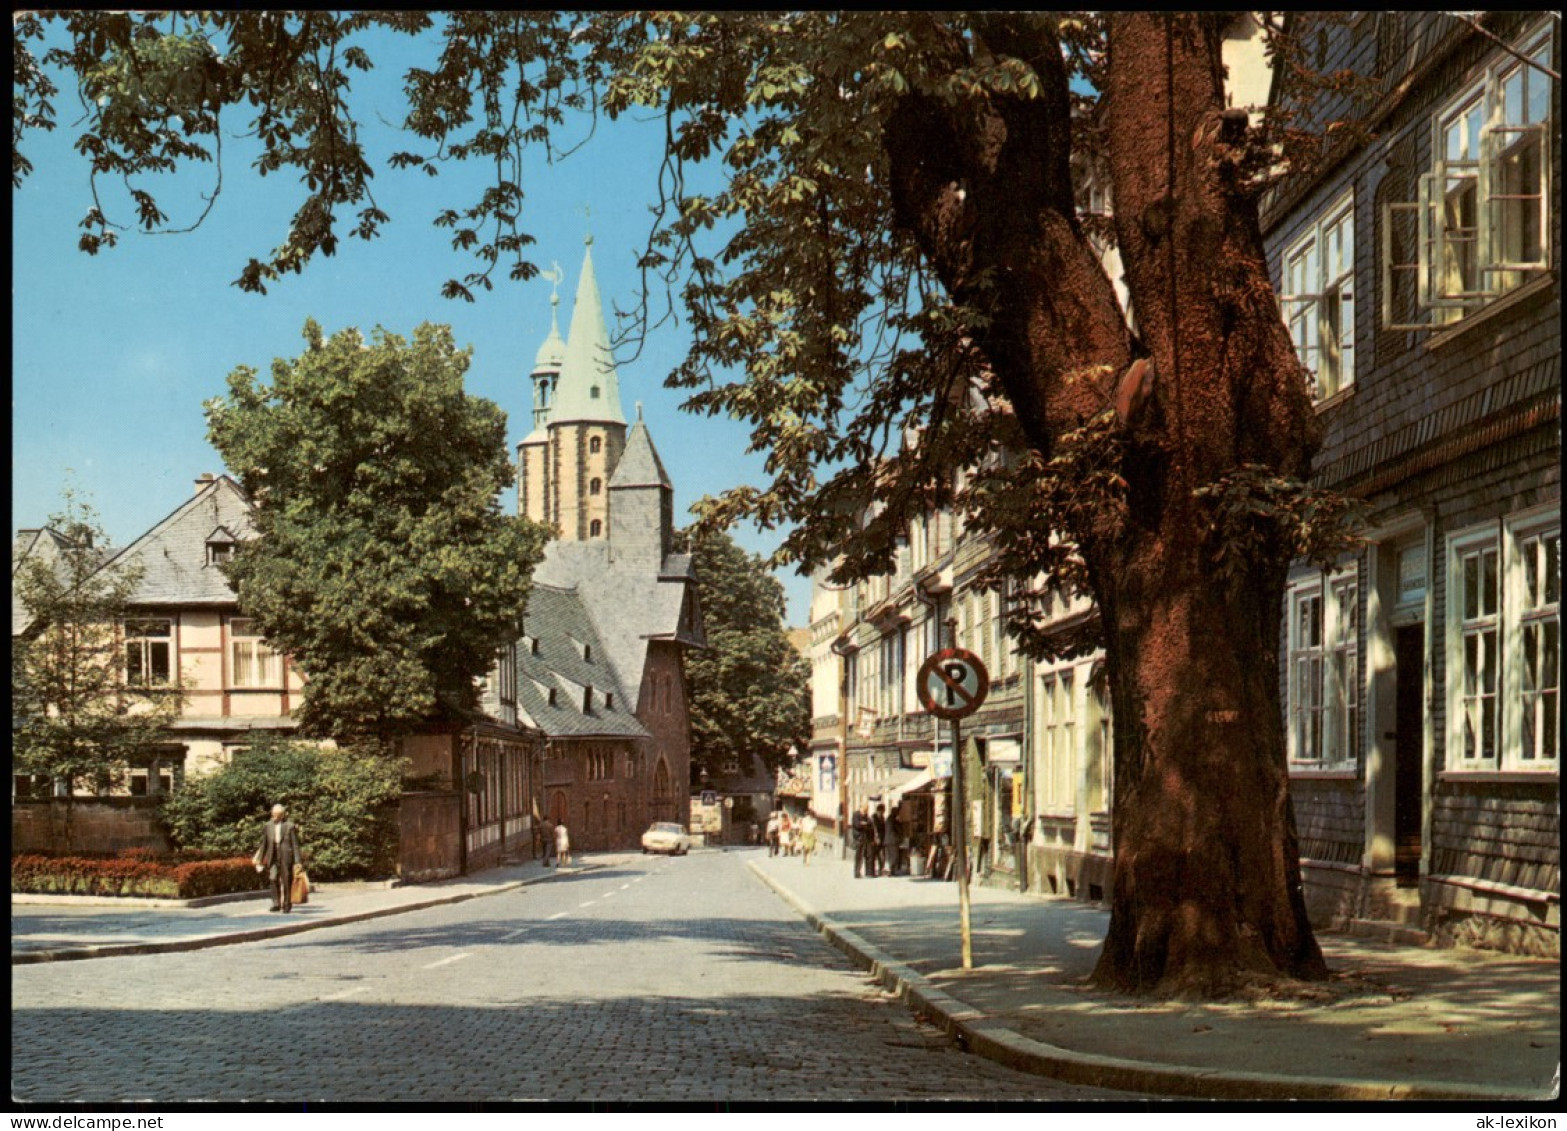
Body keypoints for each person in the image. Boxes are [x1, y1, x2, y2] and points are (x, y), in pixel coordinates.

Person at [253, 803, 304, 913]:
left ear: (282, 815)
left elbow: (295, 844)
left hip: (286, 856)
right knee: (273, 878)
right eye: (273, 814)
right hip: (273, 856)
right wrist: (260, 859)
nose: (274, 817)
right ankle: (276, 903)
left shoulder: (289, 826)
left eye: (276, 815)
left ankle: (287, 904)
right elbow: (264, 843)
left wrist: (298, 861)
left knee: (286, 880)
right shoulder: (268, 825)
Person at [852, 802, 877, 878]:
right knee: (859, 856)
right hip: (859, 838)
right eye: (864, 810)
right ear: (861, 808)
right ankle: (857, 873)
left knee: (869, 855)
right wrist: (864, 824)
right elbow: (857, 825)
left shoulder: (866, 816)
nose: (865, 812)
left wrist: (864, 824)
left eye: (866, 811)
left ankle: (869, 872)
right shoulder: (856, 815)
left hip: (867, 838)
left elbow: (870, 824)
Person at [871, 804, 888, 877]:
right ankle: (873, 871)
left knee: (882, 855)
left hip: (882, 839)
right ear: (879, 810)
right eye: (883, 810)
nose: (883, 812)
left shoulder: (882, 818)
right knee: (874, 856)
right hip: (876, 840)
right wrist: (876, 838)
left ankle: (881, 869)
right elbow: (875, 829)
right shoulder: (874, 817)